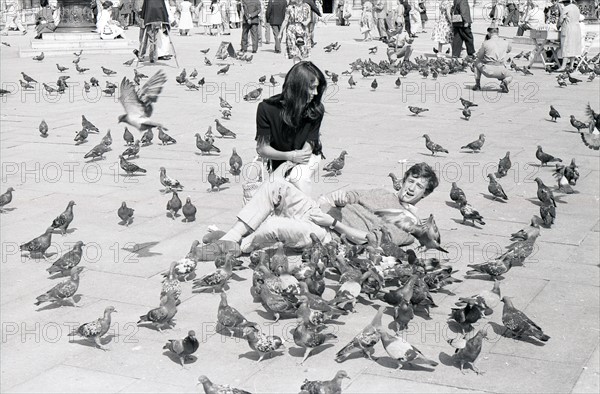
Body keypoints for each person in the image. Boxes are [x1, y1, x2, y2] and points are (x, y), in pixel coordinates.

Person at [190, 162, 439, 259]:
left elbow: (370, 240)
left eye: (419, 187)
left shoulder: (409, 225)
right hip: (321, 213)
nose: (411, 188)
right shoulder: (384, 193)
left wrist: (332, 223)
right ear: (404, 180)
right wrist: (341, 198)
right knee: (276, 185)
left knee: (275, 226)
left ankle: (233, 249)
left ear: (424, 195)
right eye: (411, 181)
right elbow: (355, 196)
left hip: (331, 235)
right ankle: (229, 238)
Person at [473, 26, 512, 93]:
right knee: (510, 76)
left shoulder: (486, 43)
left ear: (489, 33)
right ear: (498, 33)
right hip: (501, 70)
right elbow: (509, 50)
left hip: (489, 70)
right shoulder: (505, 42)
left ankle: (477, 84)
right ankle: (505, 82)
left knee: (476, 61)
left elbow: (479, 56)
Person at [556, 0, 582, 71]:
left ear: (564, 3)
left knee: (566, 47)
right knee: (573, 47)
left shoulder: (566, 8)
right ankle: (571, 66)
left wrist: (558, 26)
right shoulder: (576, 7)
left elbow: (561, 19)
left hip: (568, 28)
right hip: (576, 28)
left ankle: (563, 66)